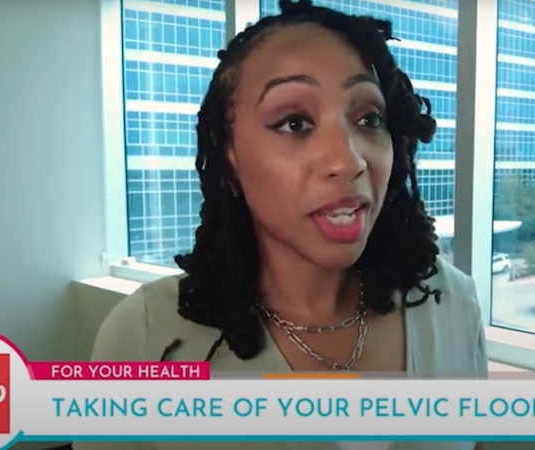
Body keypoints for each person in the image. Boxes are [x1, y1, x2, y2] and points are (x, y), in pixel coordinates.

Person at [75, 1, 487, 449]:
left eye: (369, 118)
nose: (347, 161)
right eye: (295, 123)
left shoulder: (453, 305)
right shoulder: (145, 336)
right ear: (228, 155)